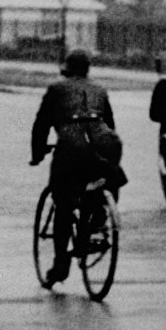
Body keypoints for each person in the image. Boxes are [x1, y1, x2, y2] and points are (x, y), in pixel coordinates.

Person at [30, 50, 125, 288]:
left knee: (62, 202)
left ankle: (61, 266)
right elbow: (110, 123)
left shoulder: (56, 89)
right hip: (106, 142)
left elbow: (41, 125)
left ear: (67, 68)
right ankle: (96, 221)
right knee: (106, 177)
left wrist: (38, 153)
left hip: (72, 146)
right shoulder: (100, 90)